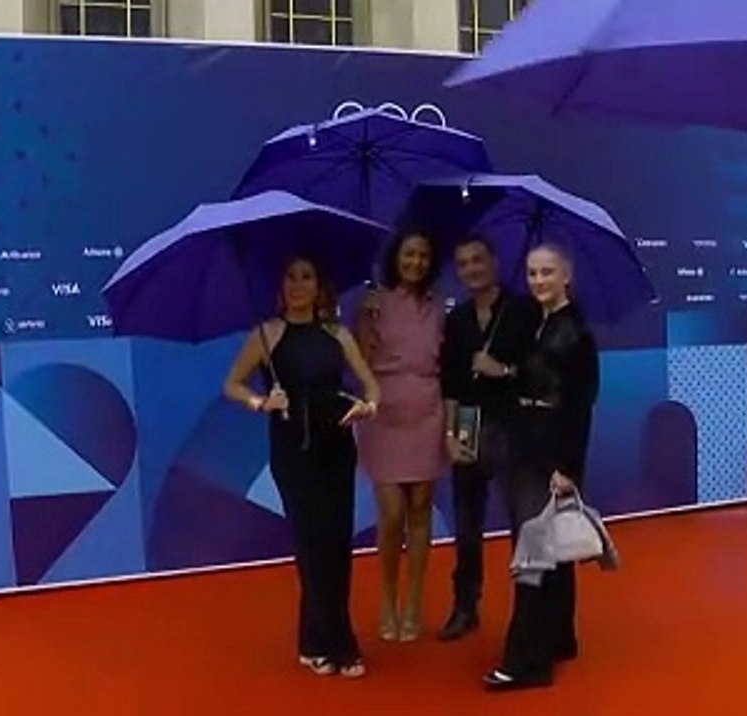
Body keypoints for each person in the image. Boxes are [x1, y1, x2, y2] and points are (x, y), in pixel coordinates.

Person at [223, 256, 380, 679]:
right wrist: (260, 402)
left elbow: (371, 386)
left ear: (319, 286)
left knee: (336, 545)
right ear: (281, 286)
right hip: (293, 451)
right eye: (290, 277)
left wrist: (367, 406)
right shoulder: (267, 334)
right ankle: (341, 643)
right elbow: (231, 384)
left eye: (306, 277)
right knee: (313, 545)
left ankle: (313, 642)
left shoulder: (337, 333)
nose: (297, 285)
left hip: (337, 447)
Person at [484, 243, 600, 691]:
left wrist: (568, 467)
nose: (538, 281)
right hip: (523, 449)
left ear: (566, 275)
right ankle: (558, 638)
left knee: (532, 554)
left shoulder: (577, 334)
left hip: (552, 455)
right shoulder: (534, 322)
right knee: (549, 549)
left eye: (547, 272)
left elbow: (579, 407)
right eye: (532, 273)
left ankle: (525, 661)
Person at [437, 235, 540, 641]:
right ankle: (465, 607)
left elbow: (543, 369)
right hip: (467, 422)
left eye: (477, 260)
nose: (472, 269)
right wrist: (449, 434)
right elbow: (449, 382)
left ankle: (527, 614)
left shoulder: (525, 310)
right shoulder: (457, 319)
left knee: (522, 524)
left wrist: (505, 371)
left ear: (494, 262)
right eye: (463, 263)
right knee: (466, 525)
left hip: (513, 425)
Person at [355, 231, 446, 642]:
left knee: (421, 509)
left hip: (427, 412)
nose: (416, 262)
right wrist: (365, 319)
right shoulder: (374, 304)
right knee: (391, 515)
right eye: (409, 254)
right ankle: (387, 600)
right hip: (384, 414)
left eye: (423, 255)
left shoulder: (439, 307)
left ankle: (413, 605)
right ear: (396, 258)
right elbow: (358, 360)